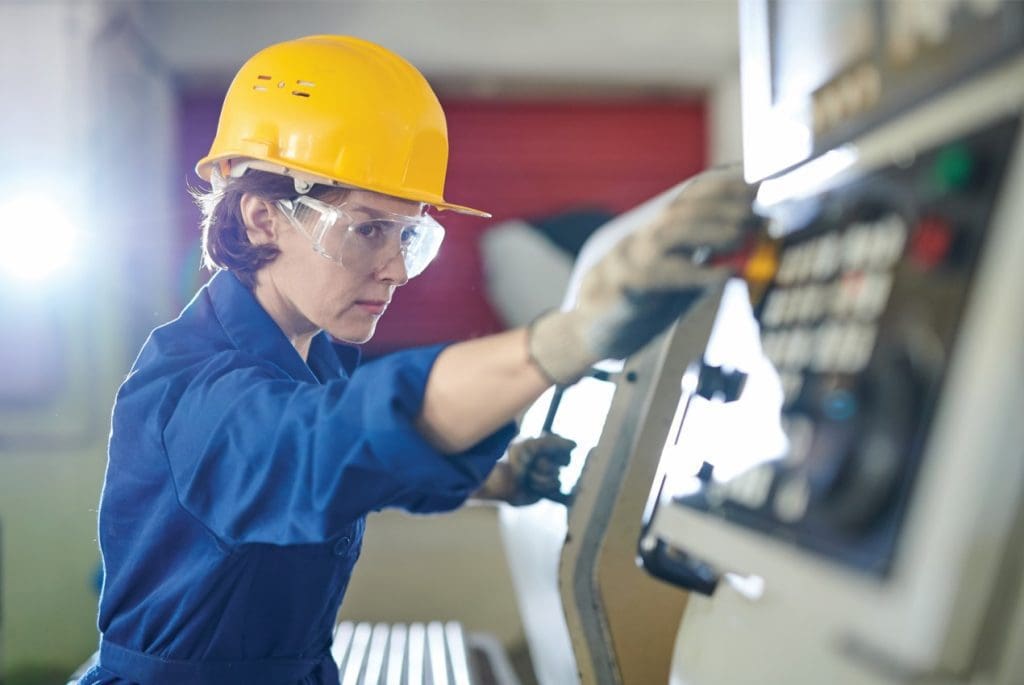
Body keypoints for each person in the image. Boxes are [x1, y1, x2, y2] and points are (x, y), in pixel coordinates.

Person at [79, 35, 758, 685]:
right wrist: (567, 339)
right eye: (367, 229)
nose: (397, 270)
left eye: (411, 235)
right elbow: (328, 440)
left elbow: (361, 466)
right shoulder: (196, 389)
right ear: (262, 219)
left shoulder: (313, 352)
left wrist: (492, 476)